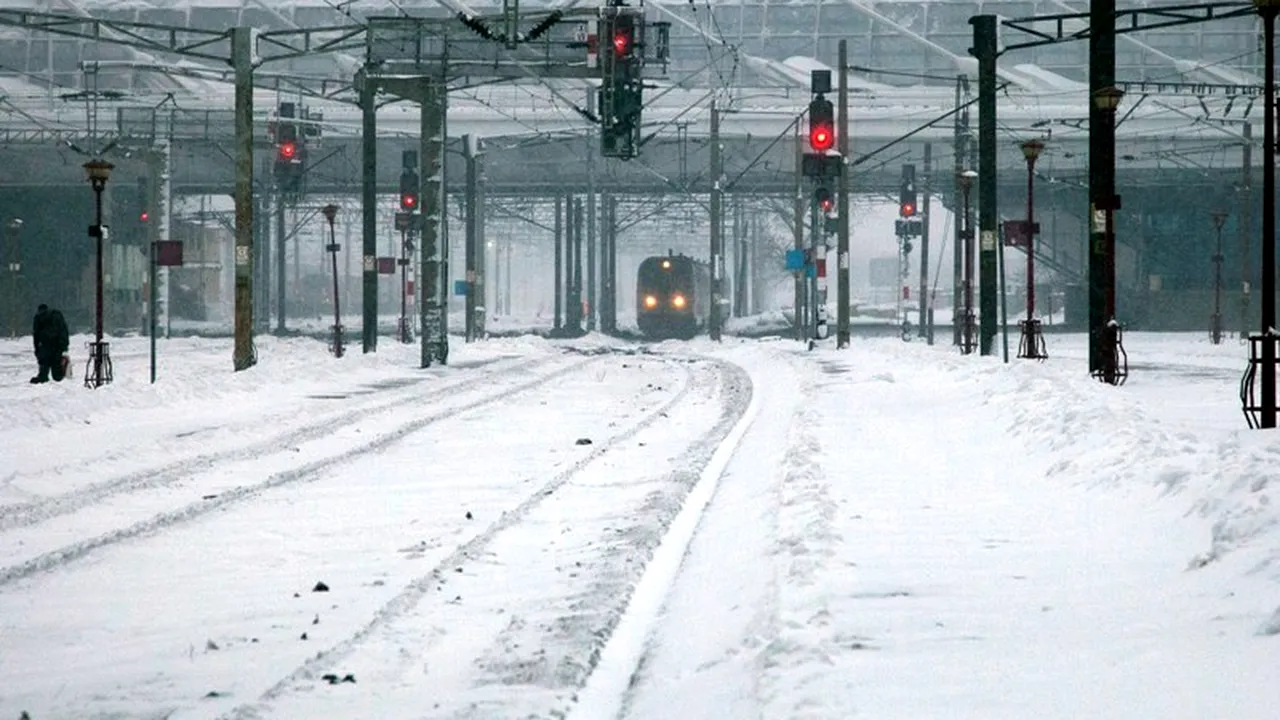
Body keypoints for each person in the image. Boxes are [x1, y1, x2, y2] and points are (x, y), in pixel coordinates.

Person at [31, 303, 70, 384]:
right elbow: (64, 330)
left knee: (44, 362)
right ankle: (60, 372)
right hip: (58, 344)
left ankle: (43, 377)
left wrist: (36, 349)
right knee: (57, 372)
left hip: (45, 345)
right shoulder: (57, 315)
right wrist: (64, 345)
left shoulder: (38, 317)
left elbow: (36, 335)